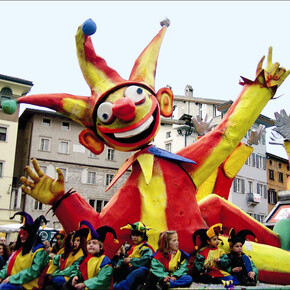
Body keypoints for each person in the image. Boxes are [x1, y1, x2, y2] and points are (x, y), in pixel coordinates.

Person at [61, 220, 118, 290]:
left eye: (94, 243)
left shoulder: (104, 261)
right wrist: (75, 277)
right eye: (89, 243)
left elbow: (103, 279)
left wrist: (85, 284)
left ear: (101, 247)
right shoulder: (86, 259)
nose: (91, 245)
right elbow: (79, 270)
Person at [0, 211, 50, 289]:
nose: (21, 236)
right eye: (20, 233)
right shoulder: (18, 249)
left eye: (24, 234)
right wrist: (1, 275)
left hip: (28, 285)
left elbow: (34, 271)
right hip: (14, 282)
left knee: (3, 288)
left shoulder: (39, 251)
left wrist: (12, 279)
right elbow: (8, 265)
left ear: (30, 235)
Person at [113, 222, 155, 290]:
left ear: (143, 236)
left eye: (137, 235)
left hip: (142, 269)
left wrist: (131, 260)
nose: (134, 237)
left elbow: (146, 260)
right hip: (130, 268)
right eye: (133, 235)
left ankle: (122, 288)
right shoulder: (132, 248)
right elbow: (125, 258)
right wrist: (119, 264)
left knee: (135, 273)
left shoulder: (146, 248)